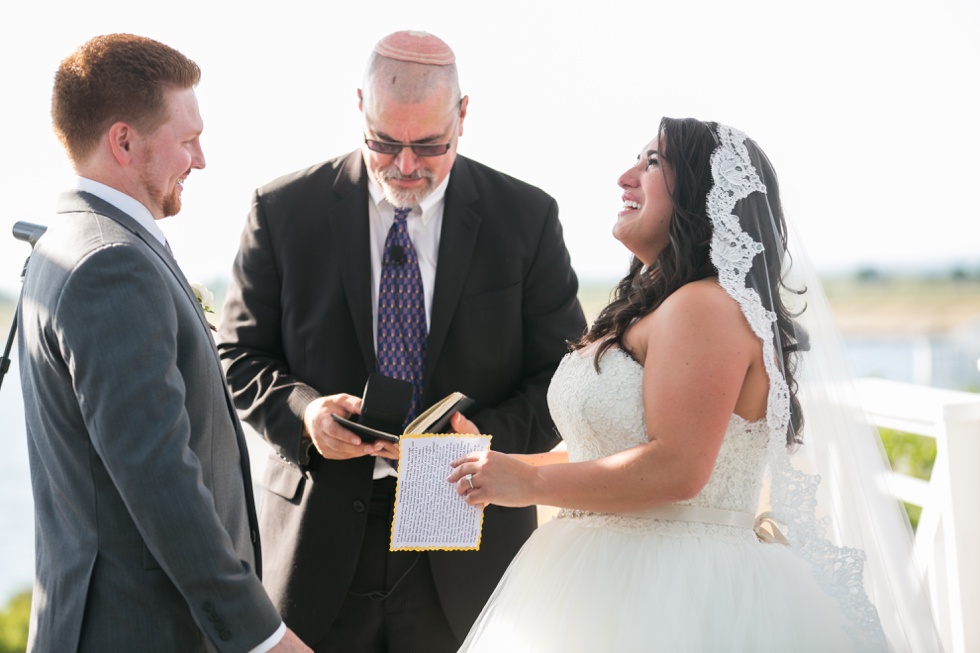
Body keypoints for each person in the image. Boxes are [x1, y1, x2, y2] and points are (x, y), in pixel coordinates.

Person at [447, 118, 944, 652]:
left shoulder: (705, 306)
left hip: (675, 588)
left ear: (704, 195)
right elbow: (612, 455)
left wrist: (531, 486)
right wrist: (495, 469)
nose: (626, 176)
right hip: (606, 576)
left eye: (653, 163)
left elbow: (679, 468)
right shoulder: (659, 308)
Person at [216, 29, 586, 653]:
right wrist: (307, 414)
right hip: (317, 545)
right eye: (384, 143)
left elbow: (564, 376)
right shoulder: (281, 210)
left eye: (428, 145)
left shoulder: (526, 217)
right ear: (360, 105)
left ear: (463, 116)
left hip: (468, 541)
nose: (406, 166)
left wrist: (487, 437)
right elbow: (237, 355)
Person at [17, 34, 310, 653]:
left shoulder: (66, 242)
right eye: (187, 139)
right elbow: (160, 477)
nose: (200, 159)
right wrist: (263, 637)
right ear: (124, 141)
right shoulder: (110, 263)